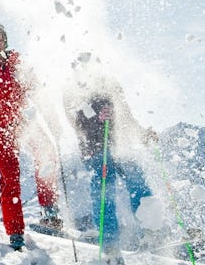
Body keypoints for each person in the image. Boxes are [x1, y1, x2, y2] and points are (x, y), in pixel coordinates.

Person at [63, 56, 156, 264]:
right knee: (103, 191)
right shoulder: (72, 90)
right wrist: (94, 118)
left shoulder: (110, 84)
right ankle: (110, 245)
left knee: (136, 178)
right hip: (94, 150)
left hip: (118, 145)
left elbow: (126, 115)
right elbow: (74, 121)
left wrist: (142, 134)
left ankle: (150, 227)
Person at [0, 21, 52, 250]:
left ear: (5, 39)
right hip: (1, 128)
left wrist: (48, 114)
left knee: (46, 153)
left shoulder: (17, 62)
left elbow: (35, 88)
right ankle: (15, 232)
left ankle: (50, 210)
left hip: (25, 120)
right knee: (10, 178)